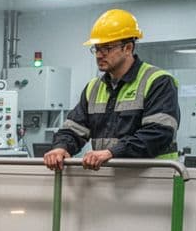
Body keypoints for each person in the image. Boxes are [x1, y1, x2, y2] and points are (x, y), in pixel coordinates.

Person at [43, 9, 180, 171]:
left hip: (154, 181)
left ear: (128, 48)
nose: (99, 55)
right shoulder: (93, 88)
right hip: (108, 180)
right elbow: (73, 129)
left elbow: (158, 133)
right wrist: (61, 147)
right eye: (97, 48)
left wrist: (112, 153)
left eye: (106, 48)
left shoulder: (158, 81)